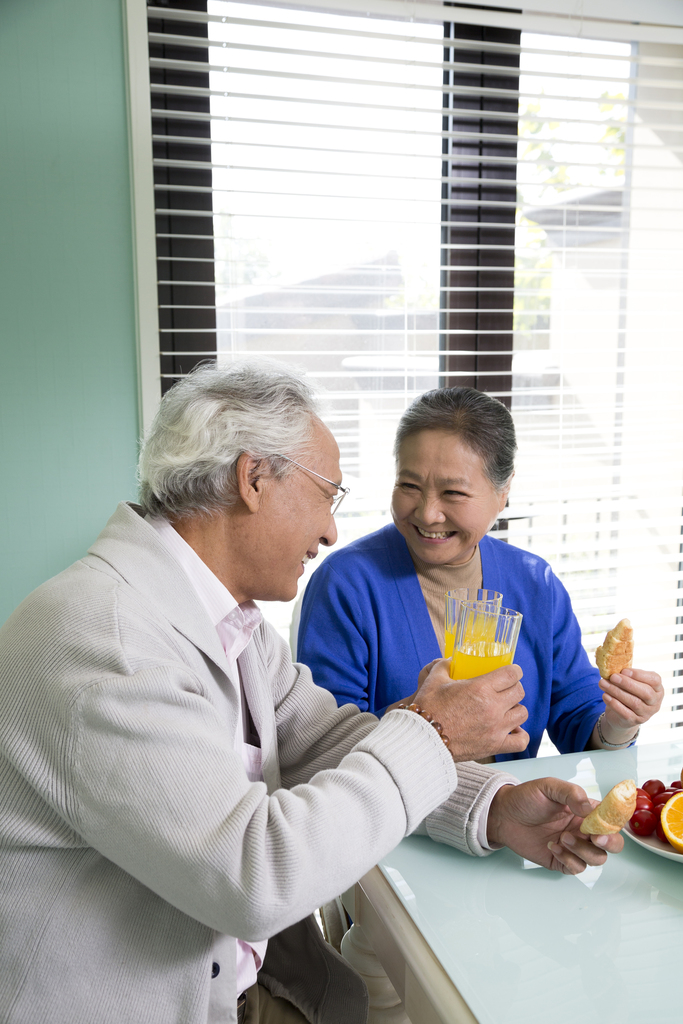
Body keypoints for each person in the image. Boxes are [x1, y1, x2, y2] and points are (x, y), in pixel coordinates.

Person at [0, 364, 623, 1024]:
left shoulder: (224, 622)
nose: (330, 531)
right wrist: (432, 733)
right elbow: (254, 876)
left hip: (240, 984)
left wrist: (493, 806)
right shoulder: (108, 642)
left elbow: (327, 740)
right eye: (327, 493)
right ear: (253, 479)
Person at [297, 387, 663, 761]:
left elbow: (577, 714)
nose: (427, 514)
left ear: (503, 492)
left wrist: (619, 722)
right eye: (409, 486)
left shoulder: (536, 584)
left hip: (514, 813)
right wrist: (430, 722)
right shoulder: (346, 584)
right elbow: (325, 746)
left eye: (453, 493)